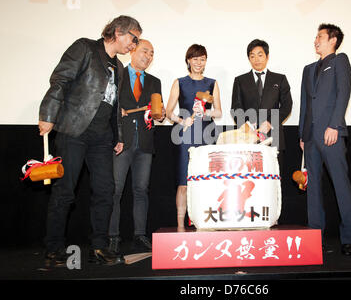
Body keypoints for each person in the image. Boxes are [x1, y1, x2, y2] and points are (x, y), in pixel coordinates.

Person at [38, 15, 142, 266]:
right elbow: (60, 79)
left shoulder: (118, 66)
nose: (134, 45)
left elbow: (116, 105)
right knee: (64, 192)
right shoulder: (84, 48)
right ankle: (54, 249)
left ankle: (99, 247)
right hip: (74, 130)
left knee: (106, 191)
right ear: (118, 32)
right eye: (133, 38)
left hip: (101, 137)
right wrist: (48, 114)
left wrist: (118, 136)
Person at [298, 24, 351, 256]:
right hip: (311, 137)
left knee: (341, 185)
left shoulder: (340, 61)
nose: (316, 40)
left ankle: (349, 238)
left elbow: (344, 93)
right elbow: (305, 103)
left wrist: (334, 125)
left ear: (333, 40)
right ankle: (315, 235)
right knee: (312, 188)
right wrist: (303, 135)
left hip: (331, 133)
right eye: (316, 36)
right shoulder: (308, 68)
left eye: (320, 37)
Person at [108, 39, 165, 254]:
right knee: (115, 190)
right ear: (132, 51)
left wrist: (160, 115)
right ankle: (112, 236)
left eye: (152, 53)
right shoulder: (118, 75)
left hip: (145, 143)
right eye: (144, 51)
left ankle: (139, 235)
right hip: (122, 141)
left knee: (141, 190)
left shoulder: (154, 81)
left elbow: (156, 112)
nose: (148, 56)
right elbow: (109, 104)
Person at [166, 44, 222, 230]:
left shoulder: (212, 83)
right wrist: (182, 121)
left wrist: (205, 114)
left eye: (202, 59)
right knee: (184, 182)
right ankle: (180, 225)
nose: (199, 62)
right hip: (185, 136)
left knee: (206, 181)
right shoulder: (179, 82)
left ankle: (205, 222)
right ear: (188, 60)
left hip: (206, 136)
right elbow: (168, 112)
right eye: (195, 58)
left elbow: (219, 112)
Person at [231, 39, 292, 172]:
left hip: (273, 136)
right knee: (250, 176)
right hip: (248, 137)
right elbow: (236, 107)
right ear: (249, 58)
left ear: (267, 56)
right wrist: (246, 127)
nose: (256, 59)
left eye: (260, 55)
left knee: (274, 177)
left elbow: (287, 105)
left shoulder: (280, 79)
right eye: (252, 56)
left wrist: (271, 122)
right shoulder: (240, 80)